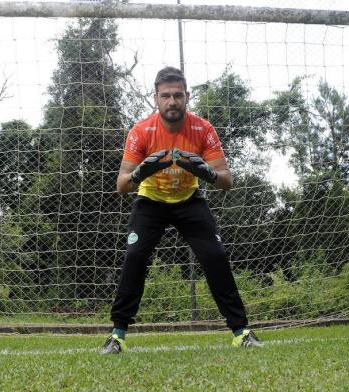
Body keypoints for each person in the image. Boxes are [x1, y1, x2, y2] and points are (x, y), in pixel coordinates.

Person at [102, 66, 262, 354]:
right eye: (166, 96)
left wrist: (206, 173)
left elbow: (226, 181)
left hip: (189, 200)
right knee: (135, 257)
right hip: (151, 201)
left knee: (215, 256)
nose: (172, 101)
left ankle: (241, 331)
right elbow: (122, 185)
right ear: (156, 98)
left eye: (178, 95)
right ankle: (117, 335)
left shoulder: (203, 128)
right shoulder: (140, 132)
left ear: (187, 96)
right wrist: (142, 172)